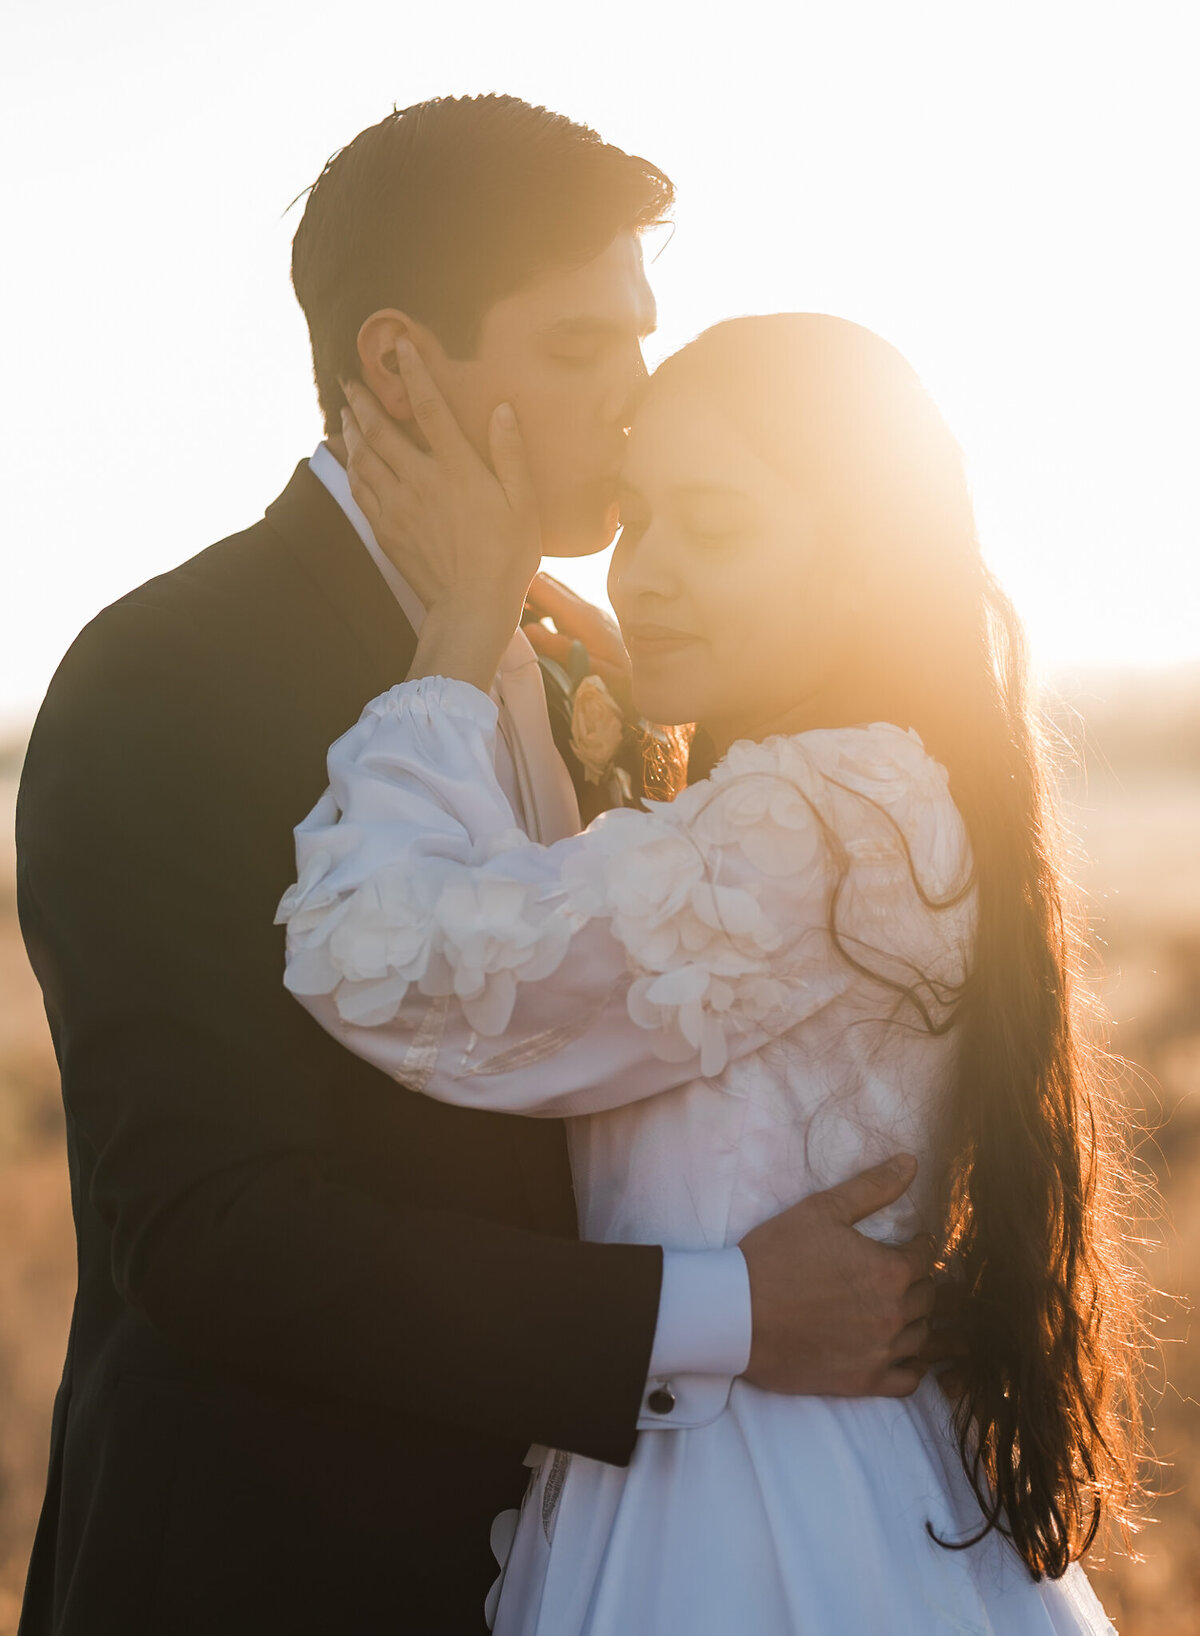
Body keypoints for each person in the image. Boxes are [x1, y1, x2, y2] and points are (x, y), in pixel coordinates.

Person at [14, 98, 939, 1636]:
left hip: (609, 1561)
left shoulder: (604, 657)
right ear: (397, 362)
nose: (636, 403)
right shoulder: (158, 679)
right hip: (275, 1576)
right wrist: (727, 1312)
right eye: (581, 349)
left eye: (640, 342)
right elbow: (208, 1232)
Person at [278, 314, 1143, 1634]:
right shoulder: (878, 787)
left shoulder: (815, 820)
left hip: (752, 1512)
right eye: (638, 517)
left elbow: (377, 957)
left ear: (862, 567)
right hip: (810, 1465)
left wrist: (458, 632)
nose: (650, 573)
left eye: (718, 528)